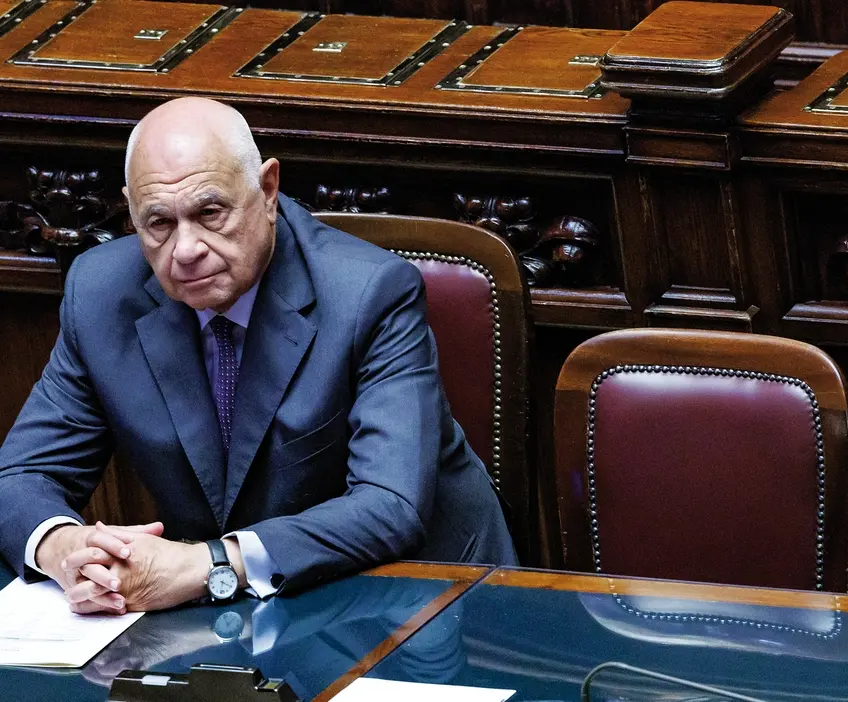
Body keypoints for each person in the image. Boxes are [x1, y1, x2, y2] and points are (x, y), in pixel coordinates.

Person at [0, 97, 516, 615]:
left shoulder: (370, 294)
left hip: (416, 604)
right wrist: (64, 547)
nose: (185, 249)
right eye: (158, 222)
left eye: (209, 213)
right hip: (232, 615)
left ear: (267, 191)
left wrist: (208, 565)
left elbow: (389, 508)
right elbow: (19, 477)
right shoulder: (100, 293)